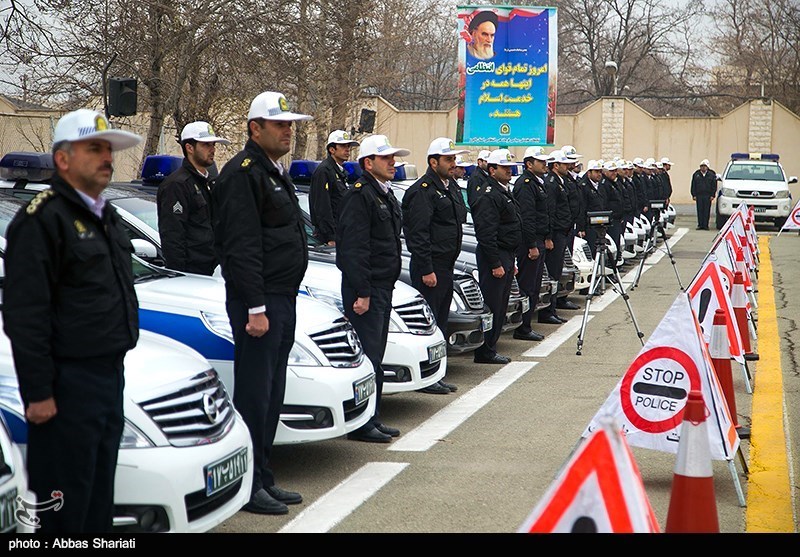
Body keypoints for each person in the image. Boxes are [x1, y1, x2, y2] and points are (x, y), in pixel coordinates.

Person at [2, 109, 141, 533]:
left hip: (107, 377)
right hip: (67, 386)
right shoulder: (43, 219)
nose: (107, 158)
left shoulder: (104, 214)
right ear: (62, 159)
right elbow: (26, 314)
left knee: (98, 500)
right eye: (94, 148)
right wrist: (39, 392)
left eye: (109, 150)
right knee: (65, 507)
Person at [211, 91, 310, 515]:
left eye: (290, 125)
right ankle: (248, 486)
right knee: (255, 395)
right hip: (260, 300)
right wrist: (255, 306)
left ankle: (264, 475)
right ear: (255, 128)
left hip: (281, 296)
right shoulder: (243, 173)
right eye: (280, 124)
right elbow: (242, 246)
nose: (288, 131)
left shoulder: (272, 171)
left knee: (272, 393)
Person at [336, 134, 408, 443]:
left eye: (393, 157)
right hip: (367, 290)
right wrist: (362, 292)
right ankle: (361, 424)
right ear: (368, 163)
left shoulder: (384, 193)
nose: (393, 162)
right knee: (366, 357)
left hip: (382, 286)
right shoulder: (359, 195)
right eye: (386, 157)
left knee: (376, 356)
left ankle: (372, 416)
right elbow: (353, 249)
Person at [402, 137, 469, 394]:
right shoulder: (423, 191)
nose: (453, 163)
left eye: (454, 159)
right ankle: (427, 377)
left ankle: (436, 373)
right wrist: (427, 269)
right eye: (448, 159)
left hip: (446, 265)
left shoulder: (450, 187)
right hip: (431, 268)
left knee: (441, 322)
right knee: (429, 326)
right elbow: (418, 235)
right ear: (433, 162)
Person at [157, 120, 230, 275]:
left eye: (213, 145)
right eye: (206, 145)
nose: (212, 149)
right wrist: (179, 277)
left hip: (214, 271)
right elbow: (173, 236)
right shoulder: (177, 185)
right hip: (192, 275)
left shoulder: (208, 182)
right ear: (189, 148)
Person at [471, 148, 521, 364]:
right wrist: (495, 263)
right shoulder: (489, 194)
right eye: (504, 167)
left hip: (506, 254)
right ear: (492, 170)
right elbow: (486, 233)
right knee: (493, 304)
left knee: (501, 304)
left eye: (510, 167)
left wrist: (512, 260)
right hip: (496, 255)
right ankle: (485, 350)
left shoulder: (503, 191)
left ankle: (491, 346)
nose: (509, 171)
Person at [511, 147, 551, 342]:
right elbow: (527, 217)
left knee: (534, 285)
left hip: (538, 239)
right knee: (527, 286)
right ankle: (522, 327)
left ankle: (526, 325)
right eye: (540, 161)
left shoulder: (537, 183)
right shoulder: (526, 184)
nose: (545, 164)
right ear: (529, 164)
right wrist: (531, 245)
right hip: (530, 242)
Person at [537, 149, 573, 325]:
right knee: (552, 273)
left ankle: (552, 308)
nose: (568, 166)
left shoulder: (560, 181)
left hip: (562, 232)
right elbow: (550, 211)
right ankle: (547, 312)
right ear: (556, 165)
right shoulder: (551, 183)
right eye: (565, 164)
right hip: (556, 233)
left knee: (557, 273)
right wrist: (549, 237)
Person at [309, 130, 360, 246]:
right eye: (343, 146)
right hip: (329, 239)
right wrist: (330, 237)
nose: (347, 149)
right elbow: (322, 207)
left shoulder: (339, 172)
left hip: (342, 233)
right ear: (332, 149)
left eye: (348, 146)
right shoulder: (324, 171)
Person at [691, 158, 716, 230]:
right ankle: (700, 225)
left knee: (706, 210)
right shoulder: (696, 174)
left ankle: (705, 225)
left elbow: (714, 185)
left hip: (707, 195)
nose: (703, 168)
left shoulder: (711, 174)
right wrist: (693, 195)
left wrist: (712, 195)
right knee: (700, 210)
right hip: (699, 195)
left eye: (704, 166)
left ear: (707, 167)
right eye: (701, 166)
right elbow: (693, 185)